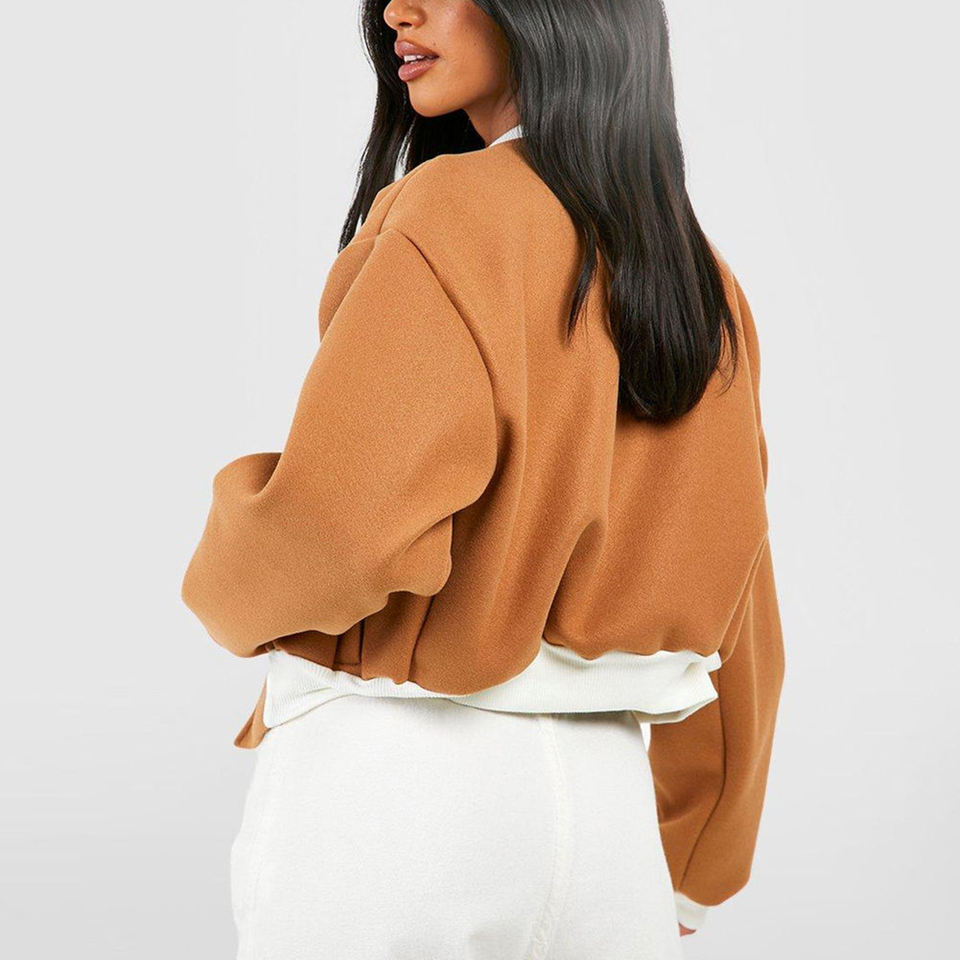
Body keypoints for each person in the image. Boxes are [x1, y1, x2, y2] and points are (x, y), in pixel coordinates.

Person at [180, 1, 786, 957]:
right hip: (608, 823)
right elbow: (740, 608)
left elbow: (334, 536)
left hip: (398, 802)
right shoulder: (700, 277)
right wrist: (696, 864)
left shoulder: (451, 212)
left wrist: (224, 575)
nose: (396, 10)